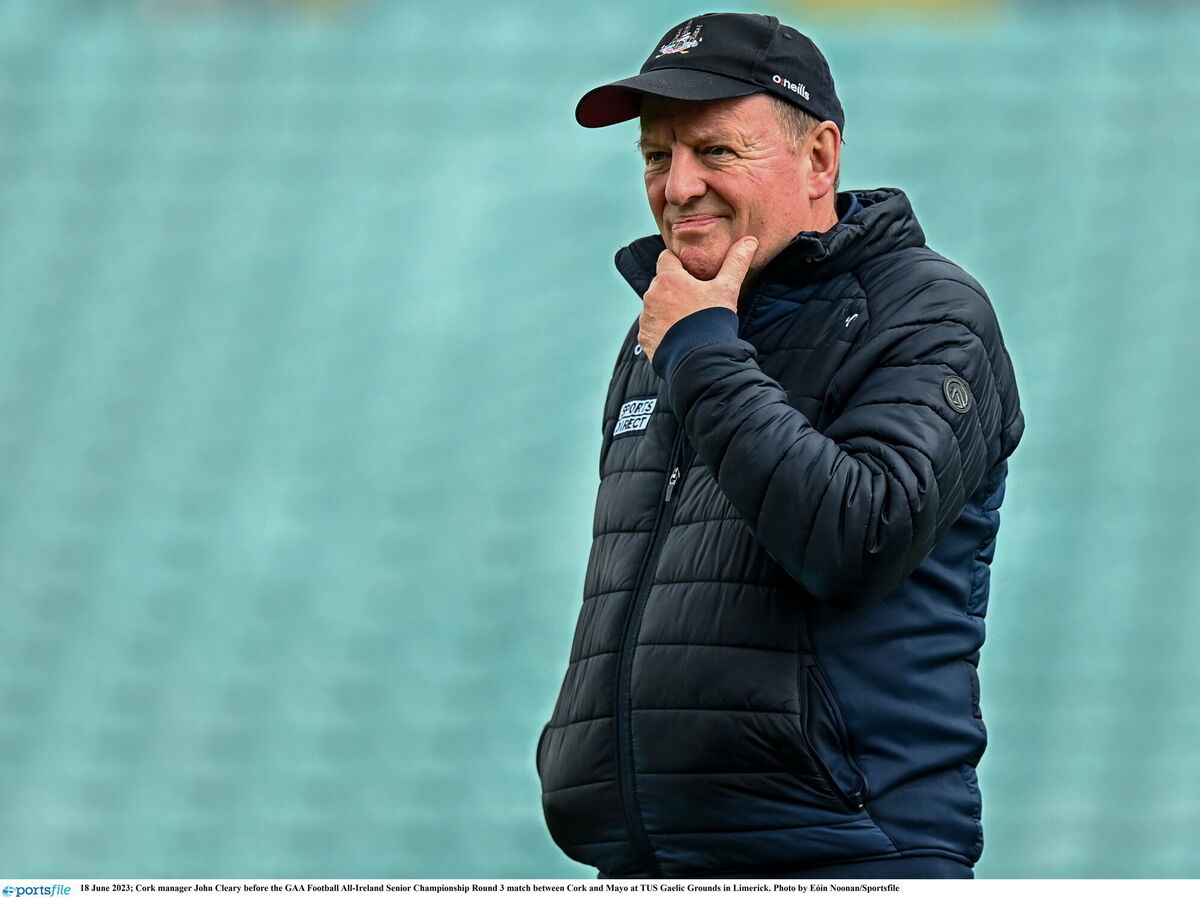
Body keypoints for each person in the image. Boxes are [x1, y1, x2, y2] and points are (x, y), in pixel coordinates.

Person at [536, 12, 1023, 880]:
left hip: (848, 855)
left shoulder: (927, 313)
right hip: (647, 860)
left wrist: (701, 353)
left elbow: (857, 540)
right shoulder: (672, 332)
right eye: (657, 155)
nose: (678, 185)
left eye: (715, 151)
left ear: (820, 158)